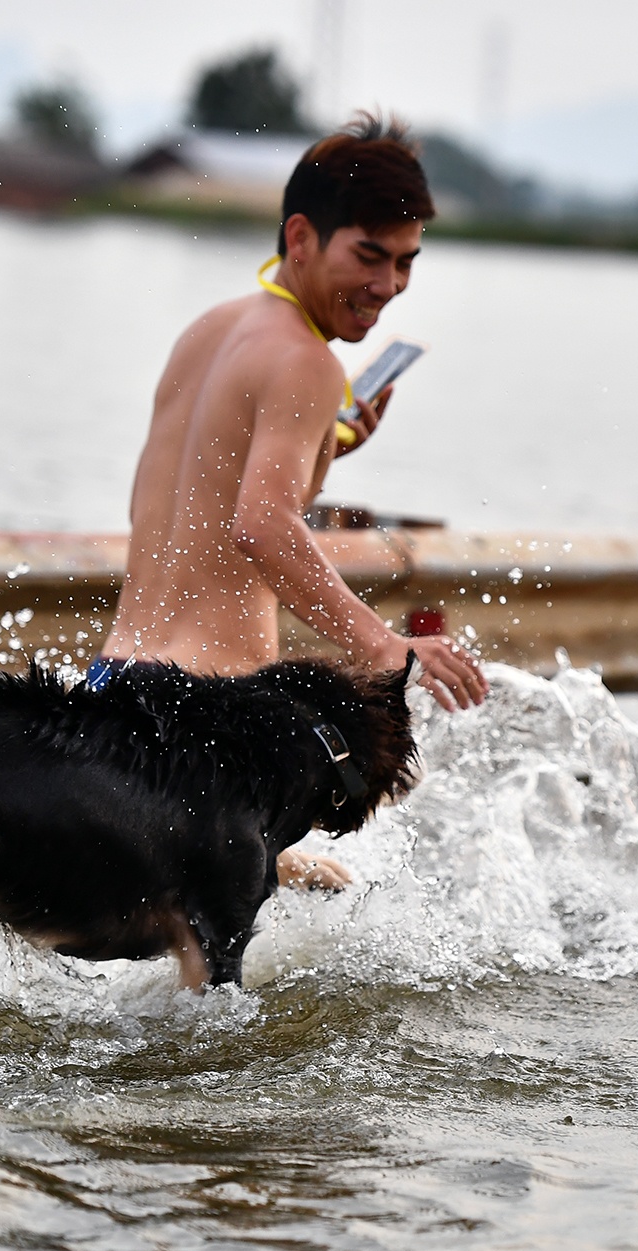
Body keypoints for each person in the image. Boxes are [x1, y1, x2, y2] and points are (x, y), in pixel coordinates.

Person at [94, 113, 489, 890]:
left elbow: (190, 499)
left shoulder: (212, 331)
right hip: (206, 719)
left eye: (406, 262)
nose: (387, 288)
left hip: (114, 691)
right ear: (301, 237)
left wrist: (327, 447)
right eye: (369, 256)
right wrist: (384, 646)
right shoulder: (308, 366)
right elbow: (259, 525)